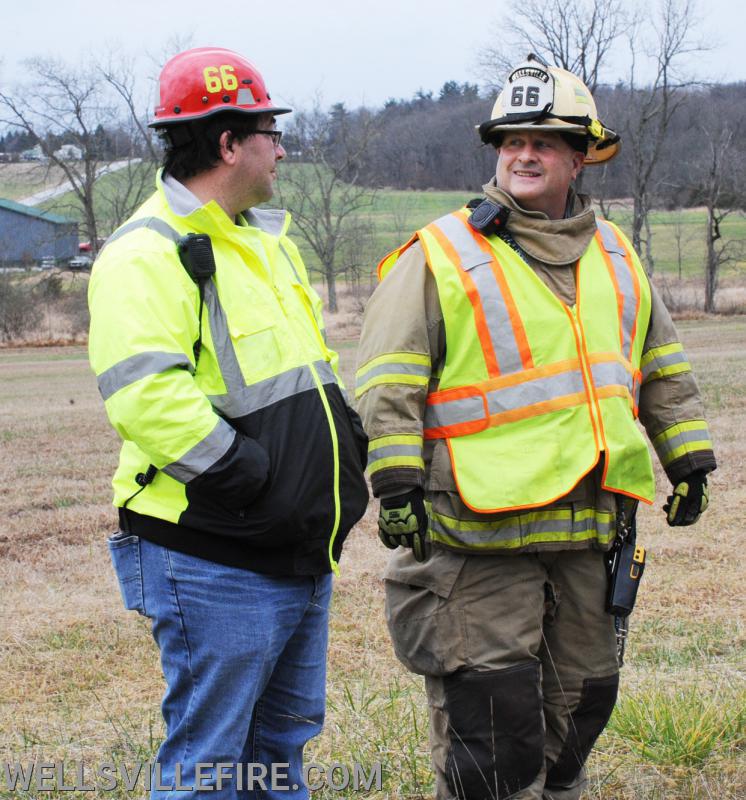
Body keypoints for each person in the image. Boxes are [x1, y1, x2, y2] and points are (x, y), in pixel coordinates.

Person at [355, 55, 716, 800]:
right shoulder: (442, 255)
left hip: (588, 534)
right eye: (512, 140)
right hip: (475, 541)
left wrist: (689, 461)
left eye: (545, 141)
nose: (524, 153)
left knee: (580, 713)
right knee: (495, 738)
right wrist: (395, 486)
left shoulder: (617, 255)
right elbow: (388, 380)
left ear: (579, 157)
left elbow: (659, 366)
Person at [88, 46, 369, 799]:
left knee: (280, 747)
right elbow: (145, 394)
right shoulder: (147, 252)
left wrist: (343, 444)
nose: (279, 147)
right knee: (210, 765)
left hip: (292, 544)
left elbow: (306, 370)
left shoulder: (262, 242)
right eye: (268, 131)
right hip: (215, 553)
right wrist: (250, 479)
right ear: (226, 143)